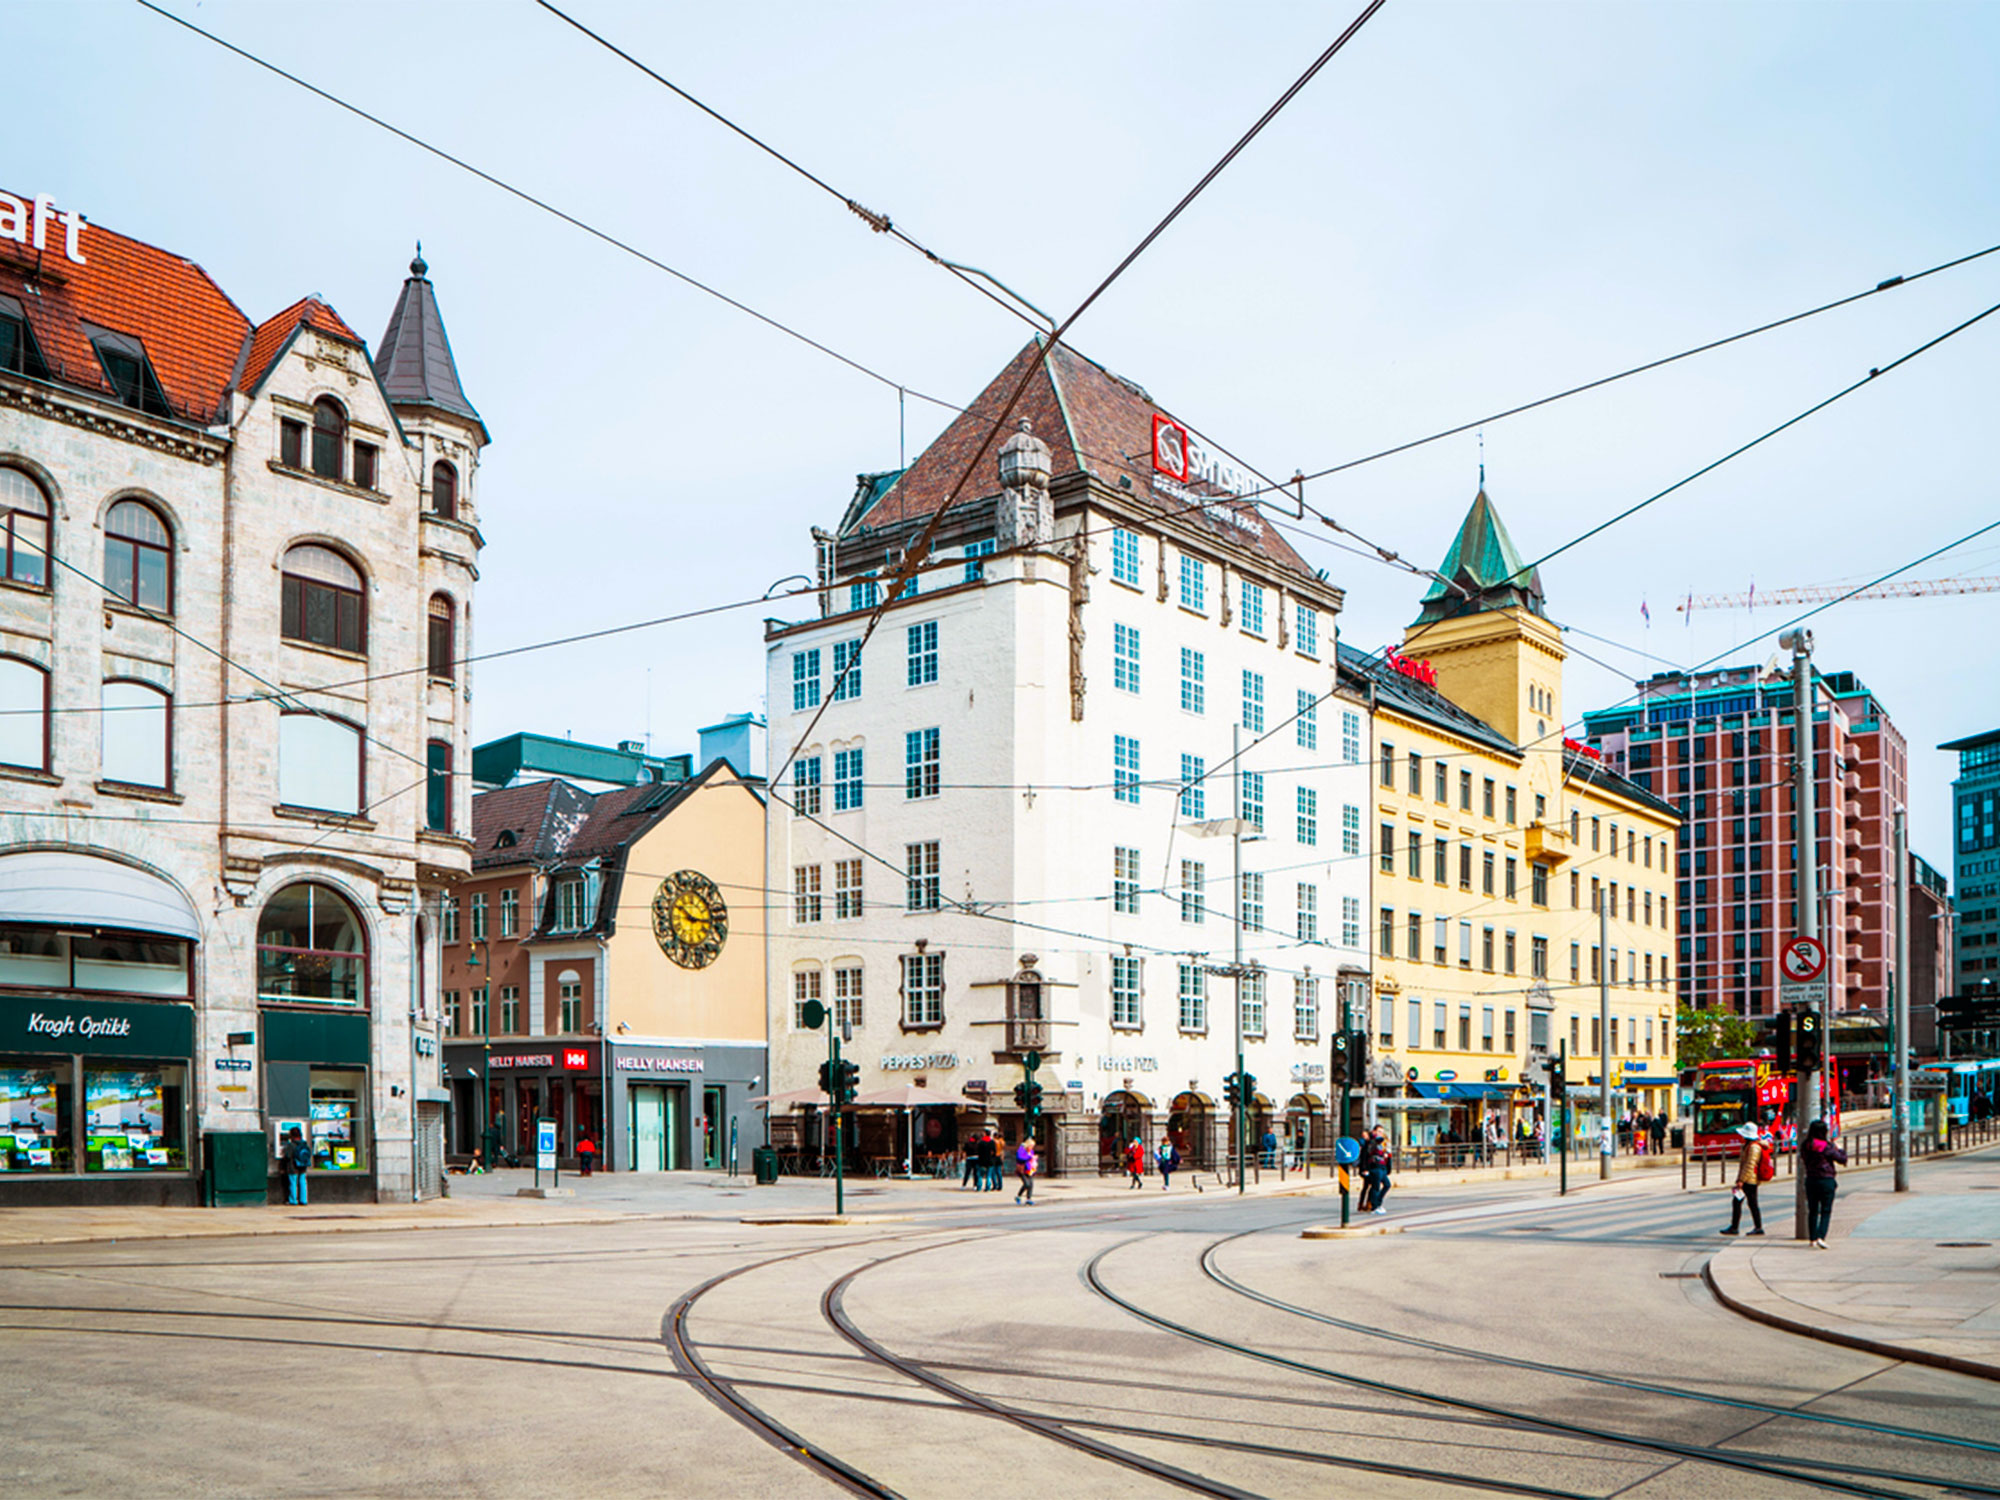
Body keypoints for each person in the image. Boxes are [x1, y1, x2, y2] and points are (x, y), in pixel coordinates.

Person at [1801, 1118, 1847, 1249]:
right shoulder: (1826, 1147)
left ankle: (1812, 1238)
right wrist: (1840, 1149)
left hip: (1811, 1180)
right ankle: (1821, 1236)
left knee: (1813, 1210)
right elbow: (1842, 1159)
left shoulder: (1806, 1145)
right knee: (1826, 1210)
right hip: (1826, 1180)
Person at [1720, 1122, 1766, 1236]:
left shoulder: (1754, 1147)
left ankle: (1738, 1227)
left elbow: (1749, 1165)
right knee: (1749, 1203)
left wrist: (1741, 1180)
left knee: (1744, 1202)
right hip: (1749, 1179)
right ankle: (1755, 1227)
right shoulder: (1750, 1146)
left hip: (1750, 1181)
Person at [1361, 1125, 1392, 1214]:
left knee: (1387, 1185)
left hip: (1382, 1167)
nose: (1380, 1133)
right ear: (1374, 1131)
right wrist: (1365, 1169)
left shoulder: (1382, 1143)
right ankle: (1374, 1206)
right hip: (1375, 1166)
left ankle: (1377, 1203)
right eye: (1378, 1131)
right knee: (1375, 1187)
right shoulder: (1372, 1141)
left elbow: (1386, 1153)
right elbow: (1366, 1155)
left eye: (1381, 1132)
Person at [281, 1125, 310, 1206]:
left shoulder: (291, 1145)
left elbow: (287, 1156)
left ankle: (293, 1200)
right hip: (303, 1166)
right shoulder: (304, 1144)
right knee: (303, 1182)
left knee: (293, 1183)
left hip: (293, 1167)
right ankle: (303, 1200)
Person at [1014, 1135, 1038, 1204]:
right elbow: (1020, 1157)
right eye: (1031, 1146)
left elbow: (1031, 1159)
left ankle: (1028, 1198)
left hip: (1029, 1169)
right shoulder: (1021, 1149)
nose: (1032, 1148)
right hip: (1022, 1169)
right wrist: (1029, 1157)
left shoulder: (1031, 1151)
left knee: (1031, 1184)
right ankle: (1018, 1196)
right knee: (1026, 1184)